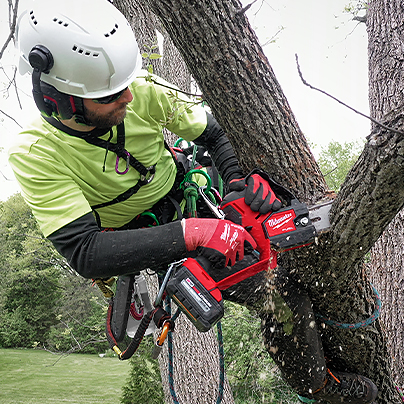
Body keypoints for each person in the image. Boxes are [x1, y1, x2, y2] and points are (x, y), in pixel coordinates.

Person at [10, 1, 378, 403]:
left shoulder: (145, 93)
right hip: (148, 237)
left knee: (284, 241)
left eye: (125, 86)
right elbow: (85, 251)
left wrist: (238, 183)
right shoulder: (36, 153)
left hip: (190, 191)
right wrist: (193, 233)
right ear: (59, 100)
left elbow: (215, 134)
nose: (128, 98)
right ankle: (321, 390)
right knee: (279, 294)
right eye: (111, 96)